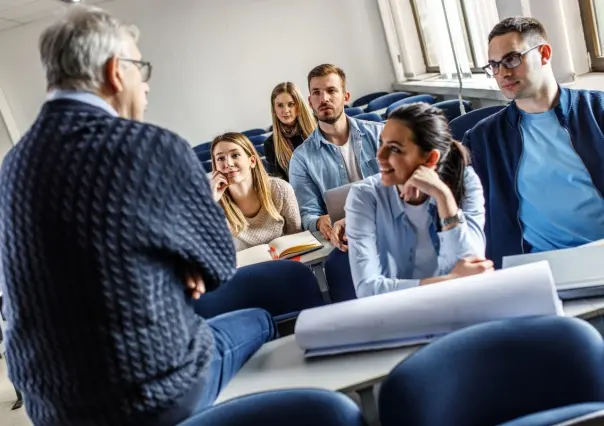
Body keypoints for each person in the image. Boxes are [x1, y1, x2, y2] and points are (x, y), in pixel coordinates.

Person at [0, 7, 275, 426]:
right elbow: (218, 264)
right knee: (261, 319)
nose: (145, 86)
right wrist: (183, 264)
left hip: (51, 410)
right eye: (140, 68)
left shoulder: (12, 165)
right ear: (115, 72)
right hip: (147, 395)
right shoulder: (152, 147)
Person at [464, 17, 604, 267]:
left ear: (544, 54)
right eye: (494, 65)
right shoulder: (483, 139)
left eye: (512, 59)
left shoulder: (598, 111)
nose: (503, 73)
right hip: (536, 268)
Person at [346, 103, 492, 298]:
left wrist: (444, 197)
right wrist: (451, 282)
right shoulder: (364, 196)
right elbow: (367, 289)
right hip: (402, 316)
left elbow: (473, 265)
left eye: (395, 149)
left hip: (461, 306)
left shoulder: (464, 179)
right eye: (381, 143)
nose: (379, 156)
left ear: (430, 158)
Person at [289, 64, 382, 250]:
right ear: (309, 101)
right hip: (347, 239)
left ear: (346, 96)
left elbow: (406, 182)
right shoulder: (301, 159)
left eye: (331, 90)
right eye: (316, 93)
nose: (323, 98)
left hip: (389, 222)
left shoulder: (381, 134)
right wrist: (319, 221)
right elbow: (308, 212)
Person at [211, 132, 302, 250]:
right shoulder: (214, 202)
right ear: (216, 167)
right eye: (221, 158)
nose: (228, 163)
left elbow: (297, 236)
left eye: (235, 155)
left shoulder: (281, 189)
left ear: (252, 161)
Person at [264, 82, 316, 181]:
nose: (286, 110)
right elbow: (280, 184)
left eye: (290, 104)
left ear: (299, 105)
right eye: (280, 105)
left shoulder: (318, 124)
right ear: (274, 110)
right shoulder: (270, 144)